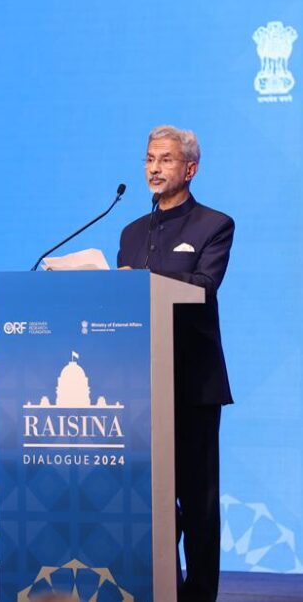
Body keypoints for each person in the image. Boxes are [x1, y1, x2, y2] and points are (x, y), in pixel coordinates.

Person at [117, 125, 234, 602]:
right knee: (153, 500)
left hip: (192, 385)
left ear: (190, 169)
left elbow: (204, 286)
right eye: (149, 158)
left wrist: (142, 279)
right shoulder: (131, 232)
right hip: (141, 386)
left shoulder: (214, 224)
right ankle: (164, 589)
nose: (154, 168)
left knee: (197, 499)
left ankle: (201, 595)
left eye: (165, 159)